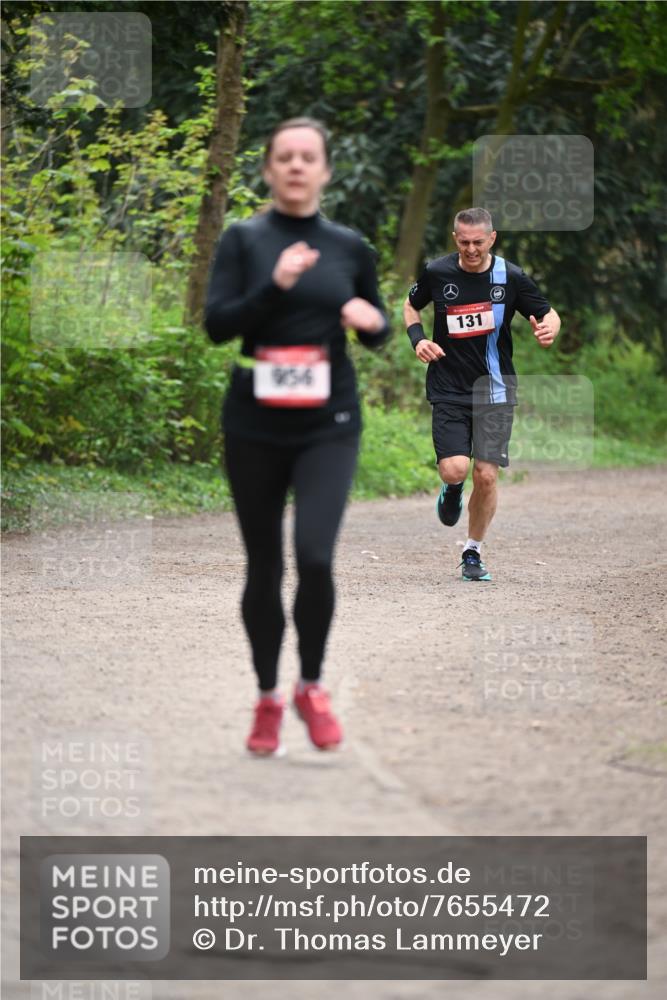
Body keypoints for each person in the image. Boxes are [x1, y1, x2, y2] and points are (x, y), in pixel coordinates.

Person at [205, 118, 389, 756]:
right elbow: (217, 325)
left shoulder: (348, 246)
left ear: (325, 170)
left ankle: (311, 686)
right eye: (284, 157)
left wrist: (373, 323)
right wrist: (274, 285)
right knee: (264, 564)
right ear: (268, 169)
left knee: (313, 556)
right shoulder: (244, 240)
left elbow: (378, 322)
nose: (296, 166)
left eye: (308, 157)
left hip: (327, 422)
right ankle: (266, 699)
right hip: (253, 421)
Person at [403, 207, 560, 581]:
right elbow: (411, 305)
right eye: (463, 242)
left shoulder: (511, 277)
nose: (471, 249)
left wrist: (549, 330)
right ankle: (452, 489)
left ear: (492, 238)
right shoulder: (438, 272)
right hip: (448, 385)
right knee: (455, 468)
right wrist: (418, 339)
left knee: (487, 476)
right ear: (455, 238)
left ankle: (472, 551)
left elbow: (549, 313)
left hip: (496, 387)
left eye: (478, 242)